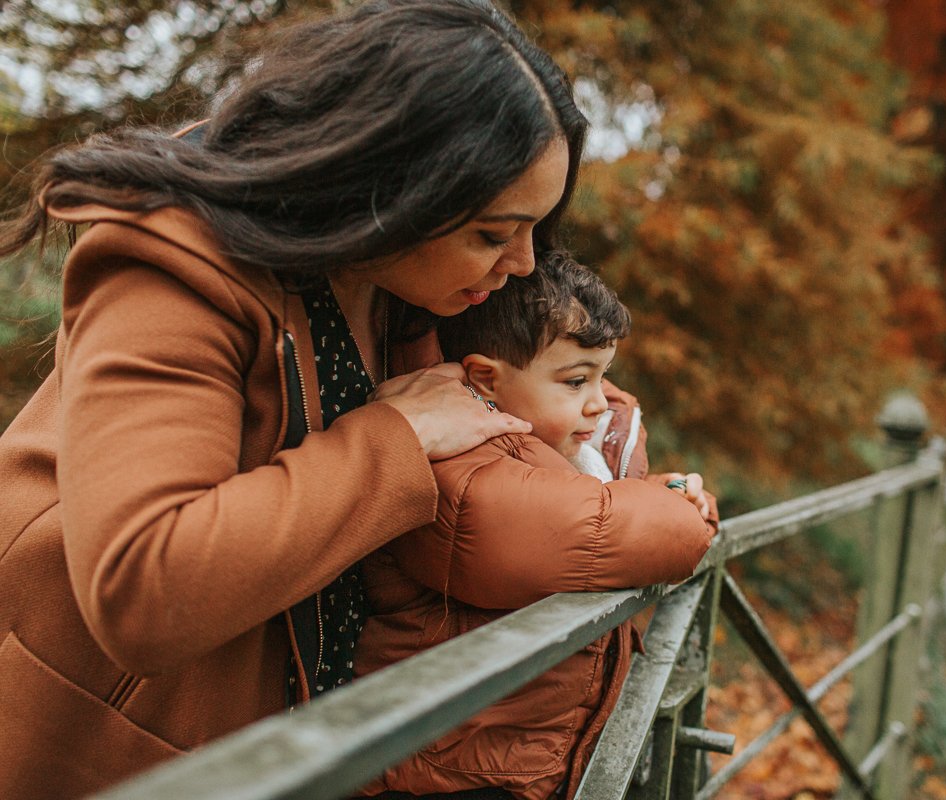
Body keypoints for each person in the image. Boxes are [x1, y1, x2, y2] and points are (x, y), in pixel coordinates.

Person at [0, 2, 594, 797]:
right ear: (392, 190)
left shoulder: (397, 282)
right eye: (493, 234)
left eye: (534, 230)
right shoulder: (171, 262)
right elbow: (145, 586)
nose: (524, 264)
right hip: (108, 751)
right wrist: (392, 439)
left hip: (299, 740)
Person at [354, 251, 718, 800]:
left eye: (603, 377)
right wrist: (672, 506)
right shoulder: (457, 469)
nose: (598, 404)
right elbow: (617, 527)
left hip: (517, 760)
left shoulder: (555, 452)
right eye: (575, 382)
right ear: (487, 380)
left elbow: (601, 504)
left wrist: (665, 489)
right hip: (444, 773)